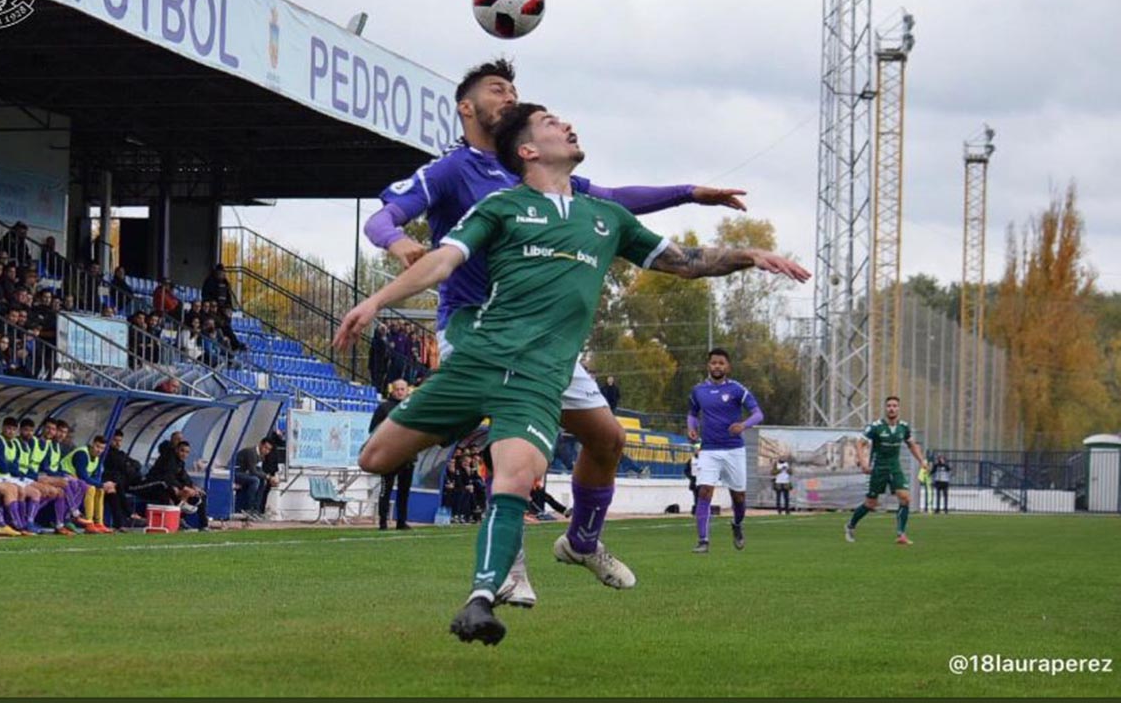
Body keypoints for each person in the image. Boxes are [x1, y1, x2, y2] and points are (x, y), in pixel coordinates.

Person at [336, 102, 809, 644]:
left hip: (540, 379)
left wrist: (750, 253)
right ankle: (465, 426)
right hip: (476, 360)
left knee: (519, 476)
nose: (567, 124)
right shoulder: (502, 206)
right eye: (552, 123)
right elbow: (442, 261)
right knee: (374, 458)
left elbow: (686, 263)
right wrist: (375, 302)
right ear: (528, 151)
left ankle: (483, 598)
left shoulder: (606, 219)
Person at [687, 348, 764, 553]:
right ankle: (703, 541)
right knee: (704, 491)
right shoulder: (698, 391)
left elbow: (758, 414)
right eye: (714, 363)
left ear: (727, 367)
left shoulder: (737, 389)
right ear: (708, 365)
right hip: (709, 450)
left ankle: (737, 525)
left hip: (734, 450)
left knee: (738, 497)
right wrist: (691, 428)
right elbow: (693, 414)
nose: (717, 366)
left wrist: (743, 425)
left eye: (721, 363)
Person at [845, 396, 928, 546]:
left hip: (895, 467)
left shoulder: (903, 427)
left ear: (898, 408)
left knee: (905, 498)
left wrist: (922, 460)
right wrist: (863, 462)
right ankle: (850, 525)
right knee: (871, 504)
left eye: (895, 406)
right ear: (885, 408)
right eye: (889, 406)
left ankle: (901, 534)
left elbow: (912, 445)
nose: (892, 408)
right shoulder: (876, 426)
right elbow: (860, 443)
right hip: (879, 468)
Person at [371, 380, 414, 531]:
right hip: (389, 456)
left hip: (408, 455)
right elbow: (373, 429)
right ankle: (383, 522)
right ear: (392, 390)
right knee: (386, 490)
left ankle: (401, 521)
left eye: (403, 389)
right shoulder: (384, 408)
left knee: (404, 491)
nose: (400, 392)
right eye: (398, 389)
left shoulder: (412, 407)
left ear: (407, 390)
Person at [234, 438, 278, 517]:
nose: (266, 451)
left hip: (244, 473)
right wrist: (268, 477)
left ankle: (256, 508)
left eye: (269, 449)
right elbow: (253, 471)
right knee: (255, 480)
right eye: (265, 448)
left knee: (262, 481)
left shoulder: (261, 456)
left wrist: (269, 477)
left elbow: (259, 470)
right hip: (235, 472)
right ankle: (249, 507)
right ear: (260, 444)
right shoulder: (251, 452)